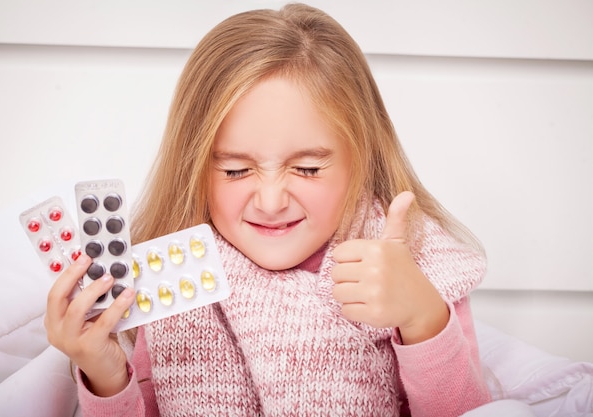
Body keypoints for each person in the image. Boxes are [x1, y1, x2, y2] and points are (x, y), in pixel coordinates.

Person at [45, 3, 493, 416]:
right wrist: (106, 374)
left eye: (308, 168)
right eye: (237, 171)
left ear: (363, 156)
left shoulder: (415, 264)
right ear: (196, 169)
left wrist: (423, 320)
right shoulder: (172, 284)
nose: (272, 201)